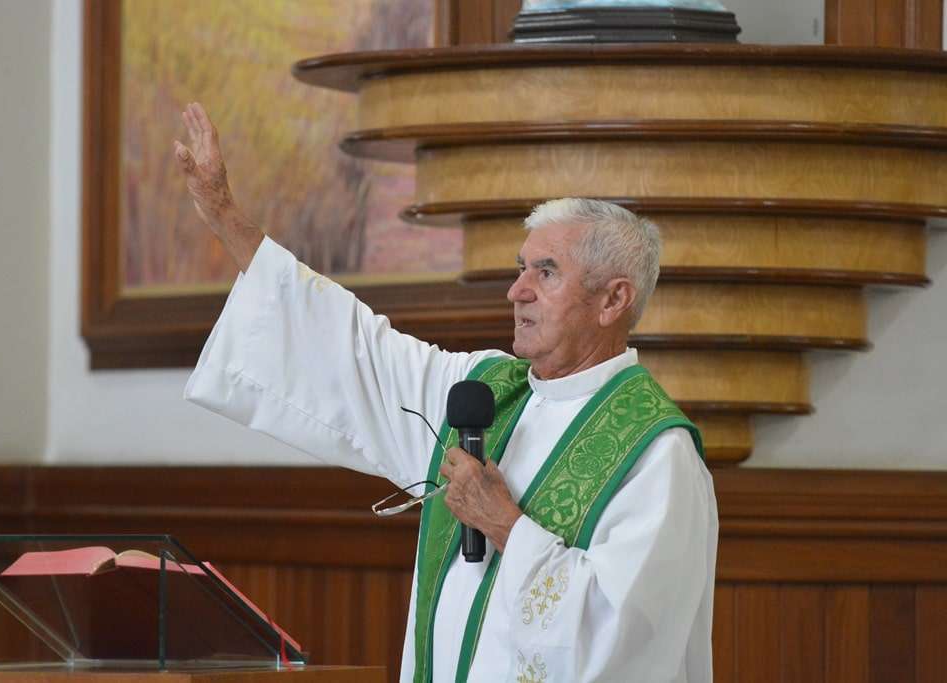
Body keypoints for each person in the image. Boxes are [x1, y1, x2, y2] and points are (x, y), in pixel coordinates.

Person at [176, 102, 717, 683]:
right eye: (521, 268)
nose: (516, 291)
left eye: (546, 273)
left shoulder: (656, 456)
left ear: (614, 300)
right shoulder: (481, 394)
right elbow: (355, 349)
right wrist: (226, 216)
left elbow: (628, 637)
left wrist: (506, 525)